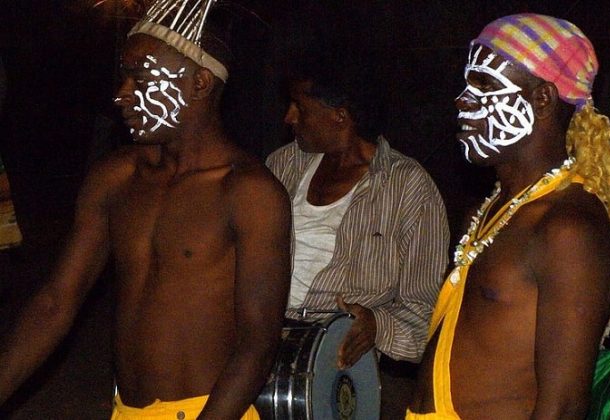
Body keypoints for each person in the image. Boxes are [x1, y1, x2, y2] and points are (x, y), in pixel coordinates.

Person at [0, 1, 291, 419]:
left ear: (199, 83)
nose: (121, 94)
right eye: (124, 76)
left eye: (139, 78)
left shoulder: (249, 193)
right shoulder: (117, 177)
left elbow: (257, 346)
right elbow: (56, 302)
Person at [408, 13, 610, 419]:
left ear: (542, 98)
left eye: (483, 84)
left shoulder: (568, 229)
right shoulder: (489, 210)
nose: (462, 100)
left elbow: (563, 405)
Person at [266, 51, 450, 417]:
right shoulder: (281, 165)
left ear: (340, 115)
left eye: (300, 107)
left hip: (339, 366)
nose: (289, 118)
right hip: (263, 345)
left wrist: (376, 326)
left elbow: (425, 314)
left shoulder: (408, 187)